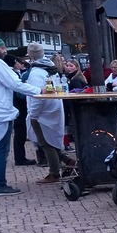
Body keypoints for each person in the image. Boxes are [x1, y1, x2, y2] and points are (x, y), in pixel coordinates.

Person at [0, 37, 43, 195]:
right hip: (0, 113)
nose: (5, 51)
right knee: (0, 149)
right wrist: (39, 91)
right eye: (1, 48)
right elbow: (14, 84)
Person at [25, 46, 75, 183]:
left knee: (45, 143)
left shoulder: (36, 73)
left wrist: (33, 114)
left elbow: (38, 96)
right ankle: (68, 160)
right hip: (54, 107)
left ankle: (54, 173)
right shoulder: (51, 68)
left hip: (42, 112)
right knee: (52, 140)